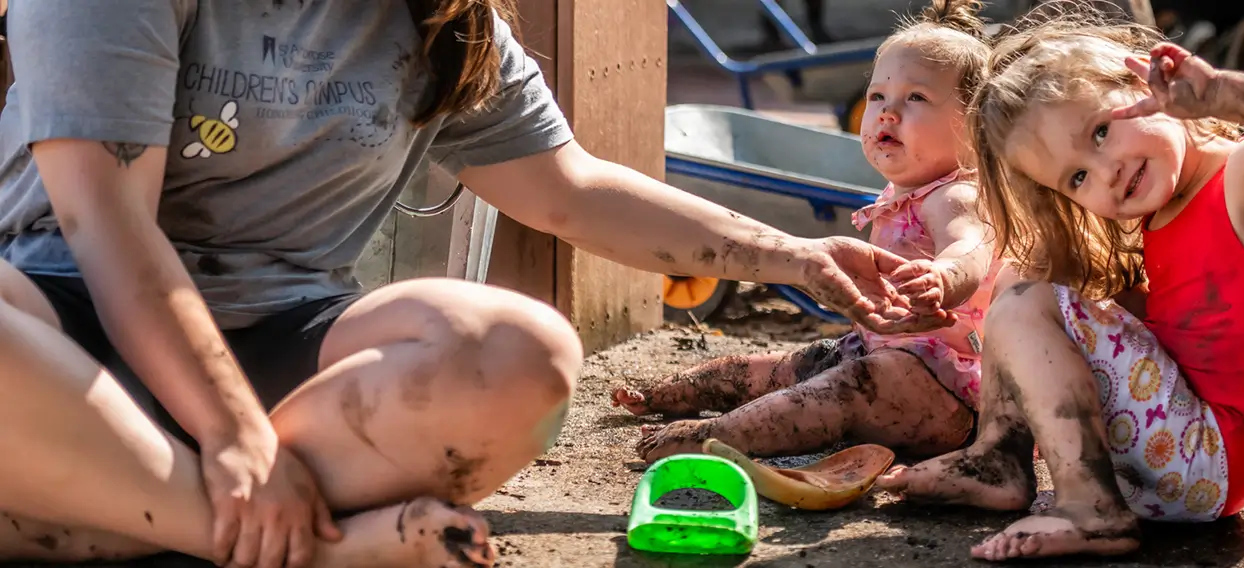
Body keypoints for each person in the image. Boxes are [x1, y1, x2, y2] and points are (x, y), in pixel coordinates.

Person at [0, 1, 928, 566]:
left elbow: (566, 190)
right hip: (61, 329)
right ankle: (270, 540)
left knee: (521, 353)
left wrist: (796, 256)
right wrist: (237, 440)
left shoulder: (449, 16)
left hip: (284, 334)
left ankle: (110, 508)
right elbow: (106, 226)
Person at [873, 4, 1244, 561]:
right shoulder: (1165, 208)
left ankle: (1090, 510)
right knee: (1025, 274)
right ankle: (998, 455)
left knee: (1032, 299)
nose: (1105, 171)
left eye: (1100, 132)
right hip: (1176, 456)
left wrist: (1224, 93)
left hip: (1208, 459)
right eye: (1077, 177)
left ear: (1141, 81)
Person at [622, 0, 1010, 465]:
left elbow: (973, 246)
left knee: (832, 394)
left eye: (916, 99)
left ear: (976, 125)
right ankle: (671, 392)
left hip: (945, 388)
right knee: (784, 368)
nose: (888, 113)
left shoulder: (957, 196)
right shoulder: (910, 188)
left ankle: (716, 437)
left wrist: (945, 277)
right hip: (884, 355)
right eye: (877, 97)